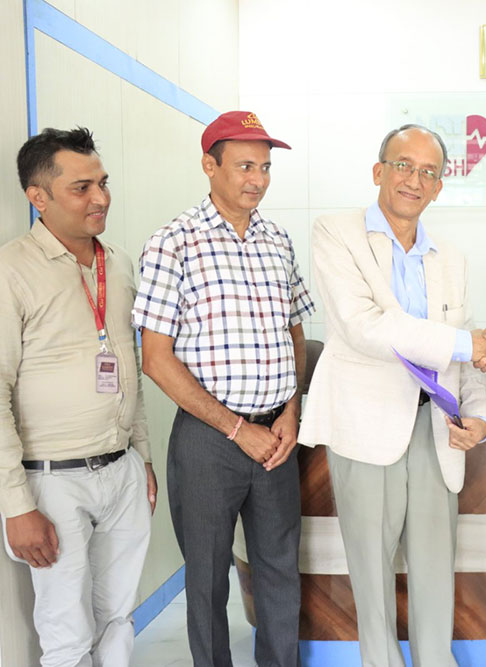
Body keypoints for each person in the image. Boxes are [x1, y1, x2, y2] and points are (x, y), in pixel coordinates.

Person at [299, 124, 486, 667]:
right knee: (371, 572)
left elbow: (464, 343)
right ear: (378, 171)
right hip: (365, 430)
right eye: (403, 165)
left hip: (437, 431)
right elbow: (364, 326)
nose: (414, 179)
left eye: (428, 172)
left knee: (435, 571)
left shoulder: (450, 258)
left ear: (439, 186)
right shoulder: (336, 232)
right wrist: (466, 343)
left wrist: (479, 414)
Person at [133, 110, 314, 667]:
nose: (257, 179)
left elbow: (295, 331)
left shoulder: (277, 241)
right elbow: (156, 359)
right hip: (209, 441)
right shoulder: (173, 243)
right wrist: (236, 429)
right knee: (208, 578)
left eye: (265, 167)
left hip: (276, 437)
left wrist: (291, 411)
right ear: (209, 166)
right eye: (244, 166)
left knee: (280, 571)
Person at [0, 127, 155, 666]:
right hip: (51, 479)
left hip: (121, 470)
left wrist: (142, 456)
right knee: (67, 631)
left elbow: (129, 367)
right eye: (82, 187)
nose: (101, 198)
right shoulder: (11, 270)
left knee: (117, 617)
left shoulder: (119, 263)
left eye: (103, 183)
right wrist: (17, 504)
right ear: (37, 197)